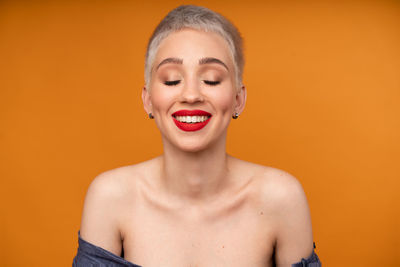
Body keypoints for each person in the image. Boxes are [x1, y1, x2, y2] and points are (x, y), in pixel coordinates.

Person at [73, 5, 321, 267]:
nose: (191, 95)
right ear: (147, 100)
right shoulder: (110, 198)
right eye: (171, 80)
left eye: (212, 80)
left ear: (238, 99)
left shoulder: (281, 199)